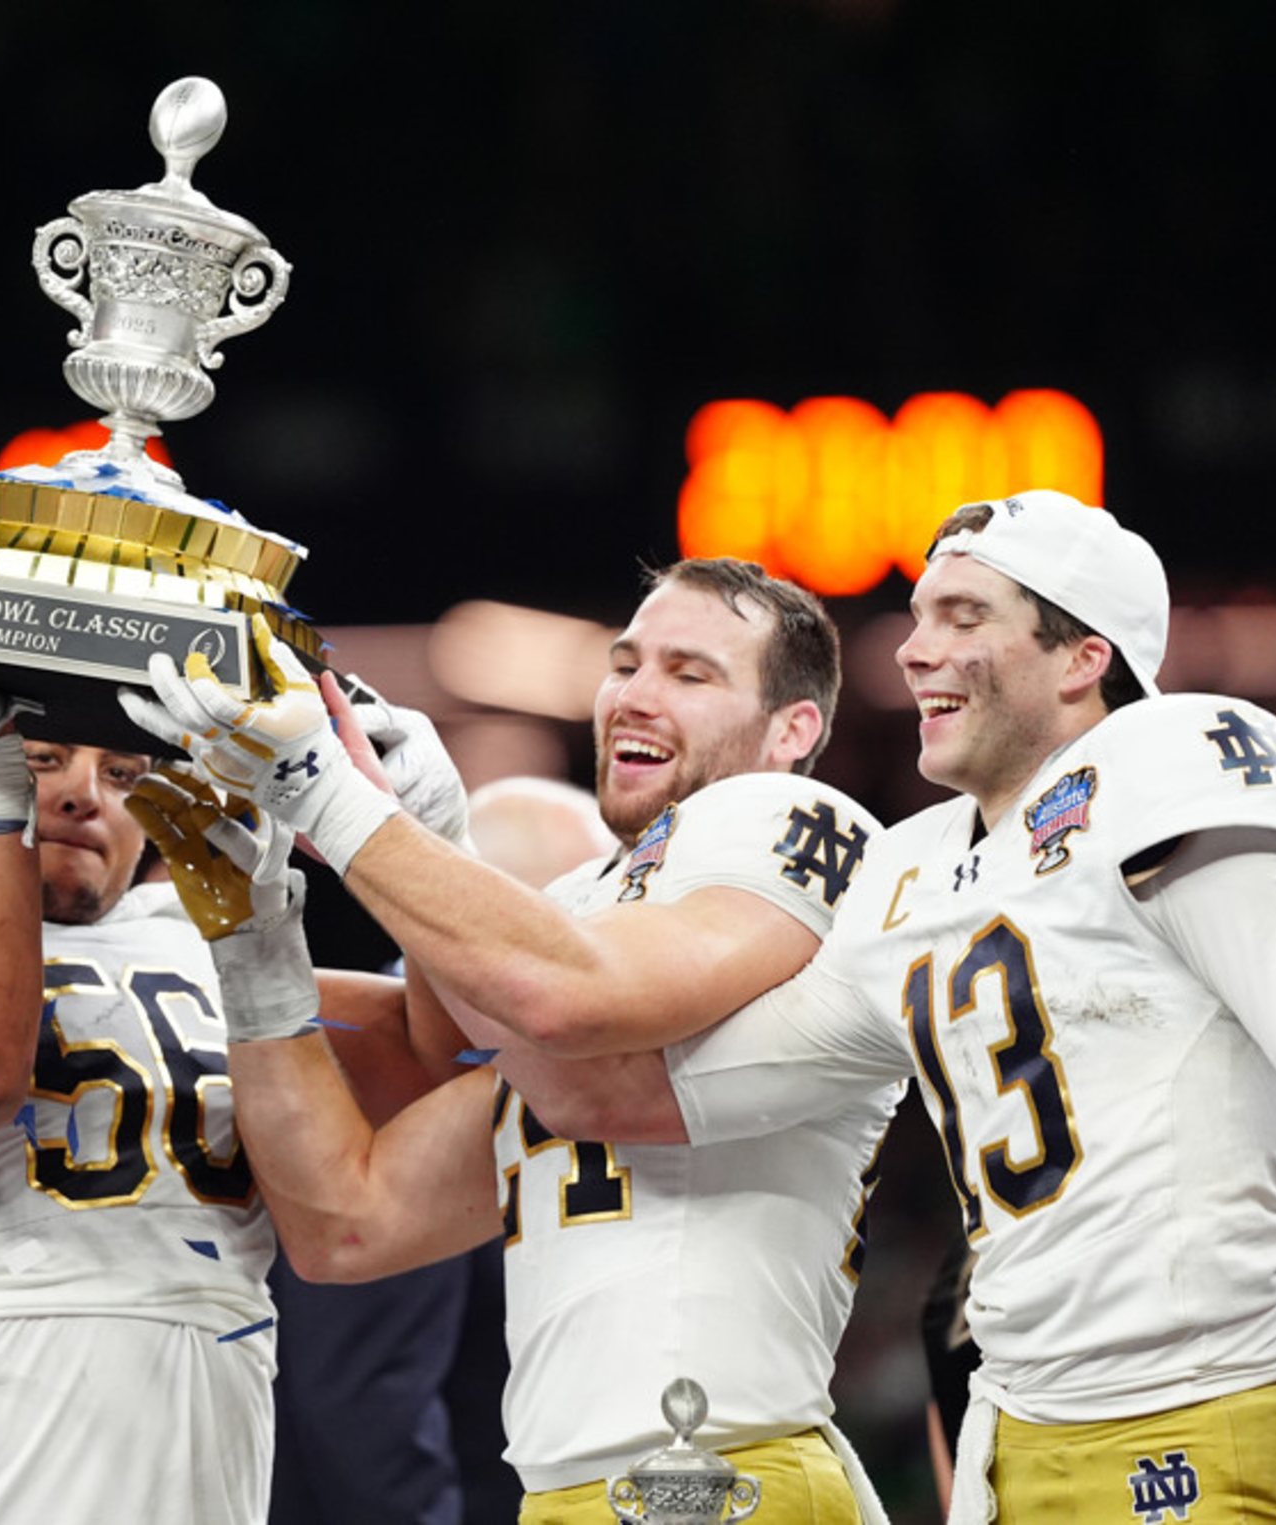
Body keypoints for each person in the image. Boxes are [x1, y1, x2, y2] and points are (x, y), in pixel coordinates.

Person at [619, 492, 1276, 1522]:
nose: (913, 650)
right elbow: (659, 1093)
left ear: (1083, 658)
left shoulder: (1164, 770)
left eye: (965, 616)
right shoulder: (912, 871)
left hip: (1203, 1415)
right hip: (1013, 1440)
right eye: (920, 616)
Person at [122, 559, 897, 1524]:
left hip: (715, 1472)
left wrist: (345, 804)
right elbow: (349, 1221)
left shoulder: (800, 819)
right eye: (626, 665)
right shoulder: (577, 912)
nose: (635, 696)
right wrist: (253, 938)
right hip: (569, 1487)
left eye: (690, 673)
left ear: (794, 730)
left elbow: (568, 1004)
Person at [0, 636, 435, 1525]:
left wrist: (423, 832)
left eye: (123, 772)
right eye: (41, 757)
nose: (84, 791)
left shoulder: (219, 947)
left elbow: (454, 1054)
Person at [266, 778, 608, 1525]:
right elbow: (363, 1395)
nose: (607, 946)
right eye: (588, 911)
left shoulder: (526, 1063)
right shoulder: (395, 1066)